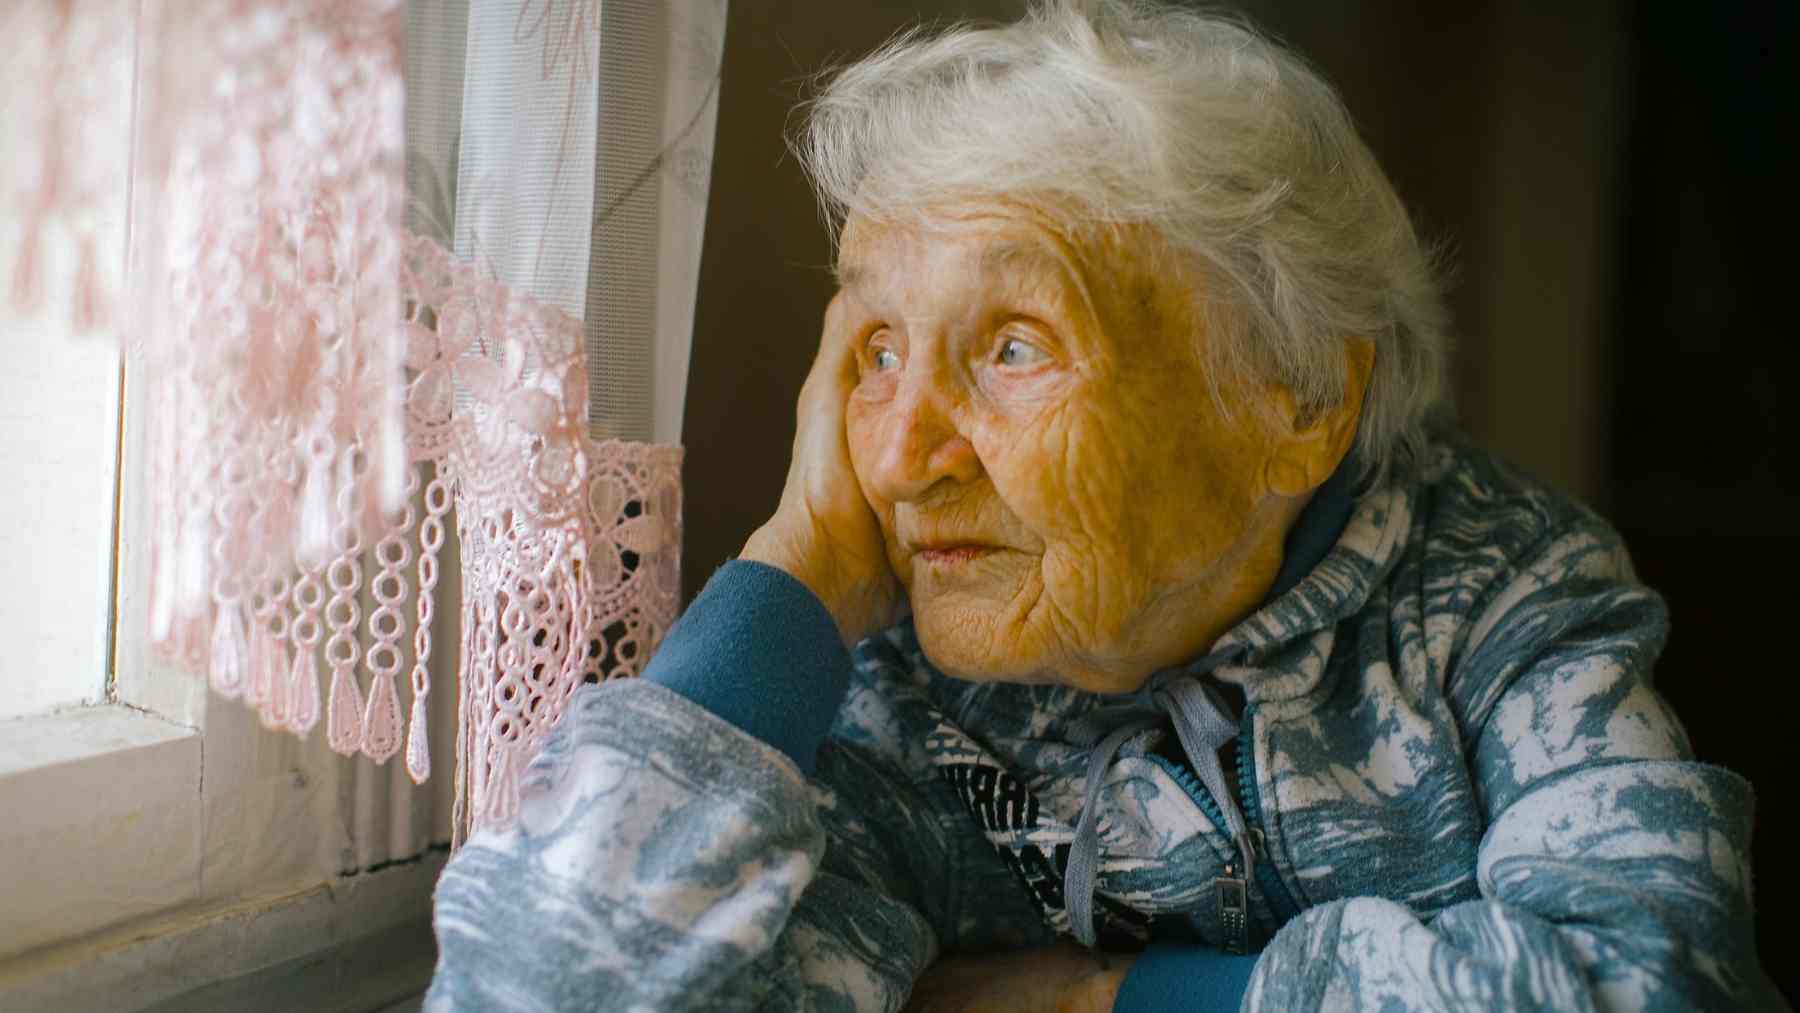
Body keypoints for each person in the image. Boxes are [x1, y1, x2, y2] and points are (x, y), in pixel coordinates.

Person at [425, 2, 1783, 1009]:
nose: (898, 459)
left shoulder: (1496, 597)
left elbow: (1651, 983)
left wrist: (1106, 999)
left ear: (1295, 400)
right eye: (877, 351)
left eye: (1014, 343)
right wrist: (788, 580)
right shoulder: (894, 693)